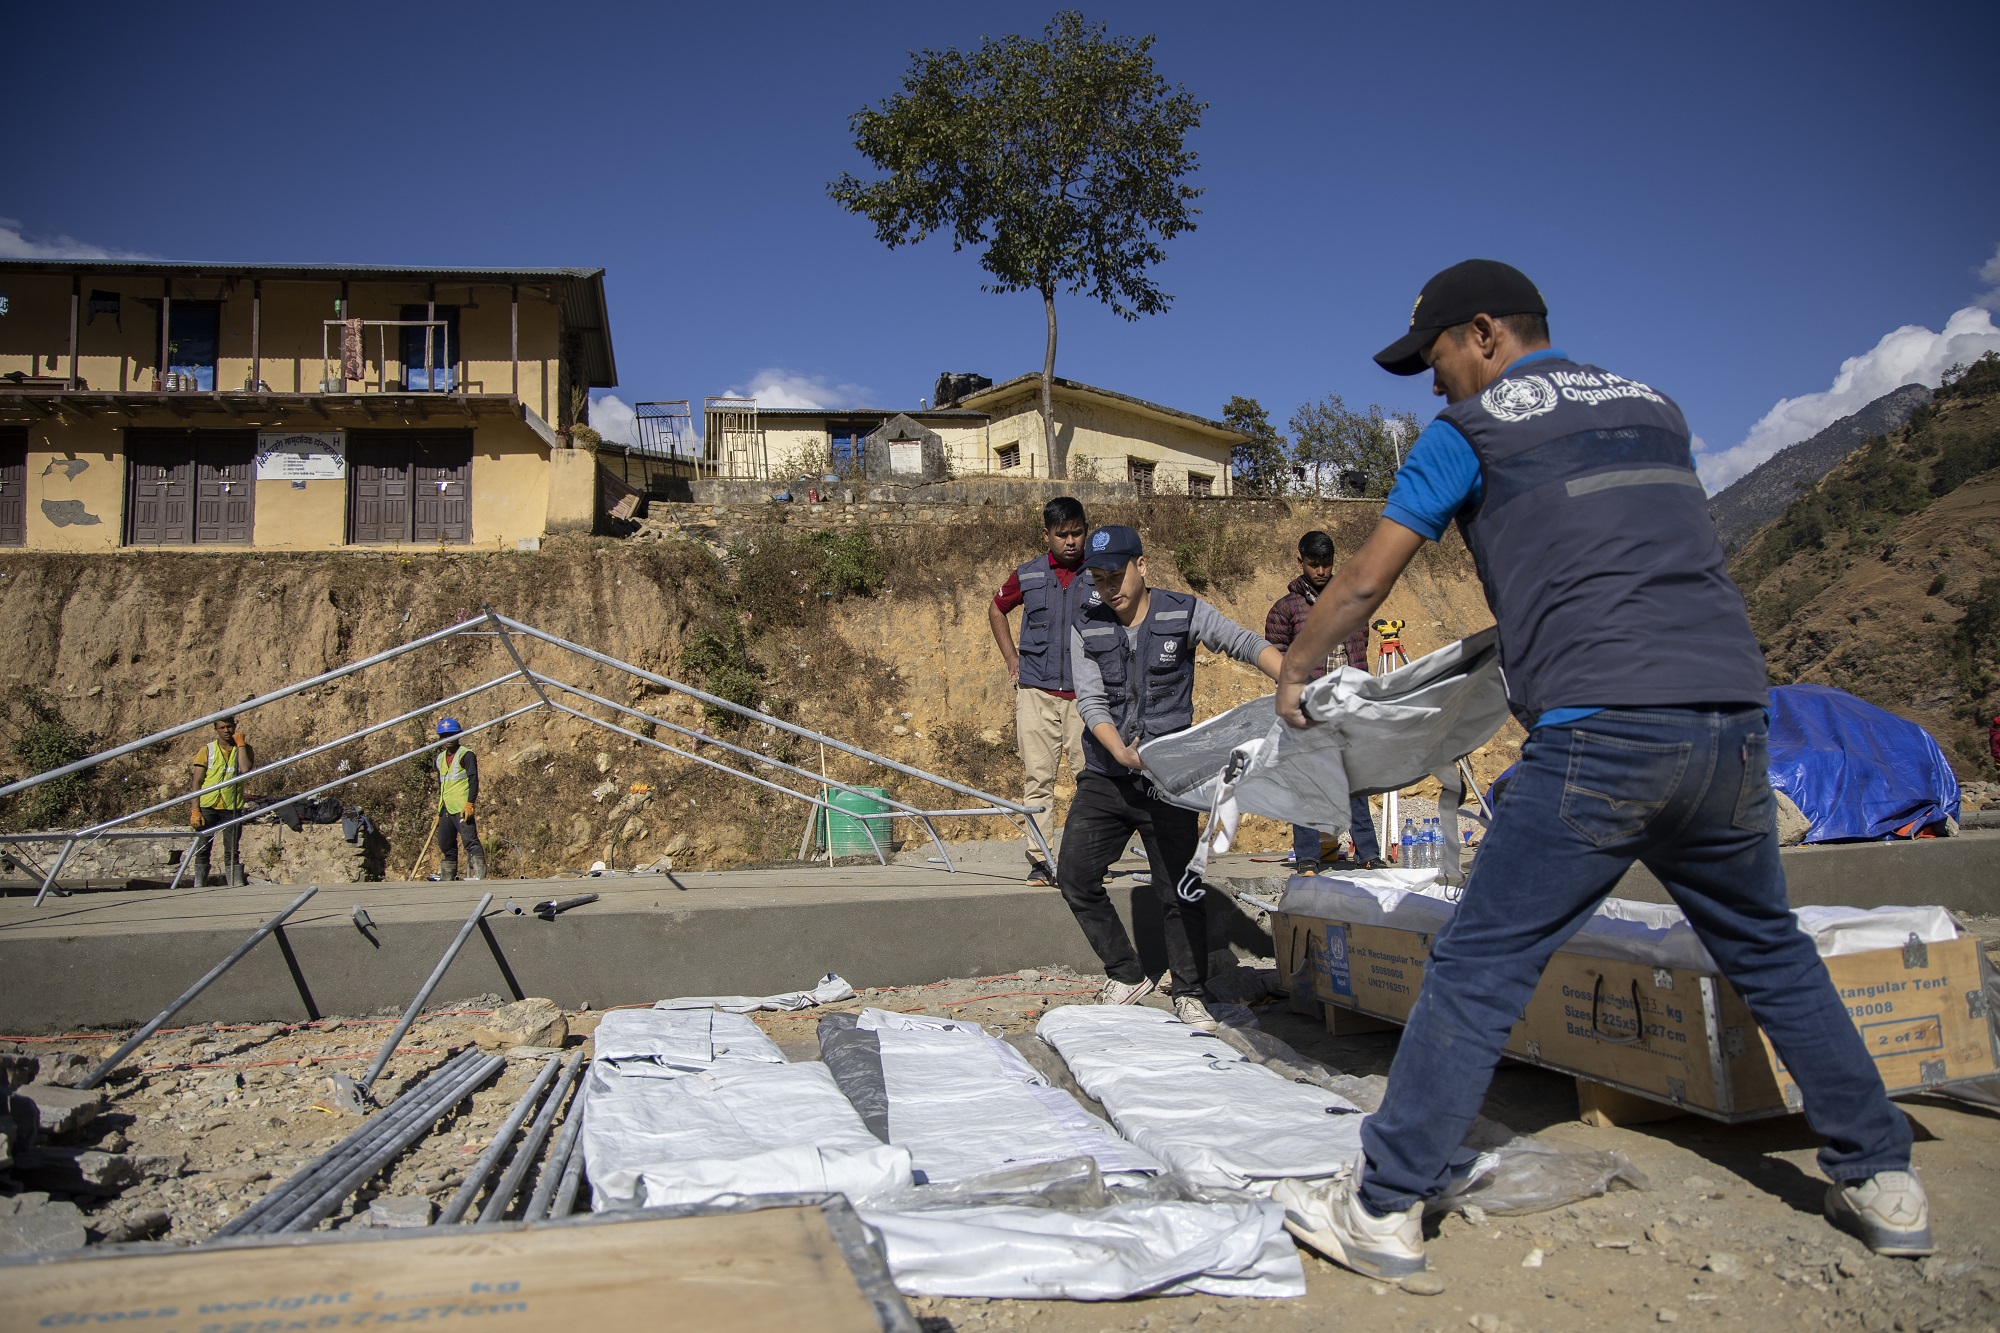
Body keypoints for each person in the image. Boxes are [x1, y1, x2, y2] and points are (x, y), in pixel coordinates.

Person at [1270, 259, 1931, 1276]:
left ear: (1482, 333)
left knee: (1479, 964)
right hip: (1727, 722)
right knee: (1766, 947)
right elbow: (1621, 558)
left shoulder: (1470, 430)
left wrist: (1298, 671)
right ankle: (1879, 1178)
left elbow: (1363, 579)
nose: (1430, 385)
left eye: (1434, 359)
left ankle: (1381, 1197)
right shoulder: (1654, 408)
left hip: (1598, 736)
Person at [1059, 524, 1283, 1030]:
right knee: (1074, 876)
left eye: (1117, 574)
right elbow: (1091, 699)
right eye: (1098, 579)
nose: (1108, 588)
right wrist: (1119, 752)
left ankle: (1190, 991)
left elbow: (1243, 642)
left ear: (1143, 566)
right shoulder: (1085, 621)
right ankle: (1125, 971)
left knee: (1179, 889)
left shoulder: (1184, 611)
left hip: (1169, 779)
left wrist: (1290, 679)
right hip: (1107, 775)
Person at [1264, 529, 1385, 873]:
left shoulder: (1351, 600)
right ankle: (1307, 857)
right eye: (1314, 564)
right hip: (1307, 707)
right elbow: (1276, 658)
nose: (1320, 571)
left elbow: (1359, 650)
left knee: (1355, 783)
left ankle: (1368, 855)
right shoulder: (1285, 609)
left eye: (1326, 564)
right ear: (1300, 561)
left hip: (1347, 705)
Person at [988, 496, 1092, 884]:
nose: (1070, 541)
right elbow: (997, 608)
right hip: (1036, 693)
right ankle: (1041, 862)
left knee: (1092, 781)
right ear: (1046, 535)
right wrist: (1011, 660)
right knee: (1039, 779)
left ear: (1086, 532)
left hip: (1088, 697)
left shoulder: (1102, 573)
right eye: (1061, 534)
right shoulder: (1028, 574)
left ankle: (1086, 863)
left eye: (1077, 533)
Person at [187, 715, 252, 887]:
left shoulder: (243, 748)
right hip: (208, 805)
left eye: (229, 727)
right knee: (203, 846)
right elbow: (197, 781)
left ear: (235, 727)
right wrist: (195, 808)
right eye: (222, 727)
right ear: (216, 729)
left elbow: (245, 769)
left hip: (231, 805)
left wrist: (241, 745)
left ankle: (234, 883)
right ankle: (199, 884)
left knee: (232, 848)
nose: (226, 731)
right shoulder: (207, 750)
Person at [432, 718, 486, 882]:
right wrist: (438, 810)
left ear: (458, 735)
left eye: (452, 735)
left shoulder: (466, 755)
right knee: (445, 843)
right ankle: (447, 878)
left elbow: (473, 780)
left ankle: (480, 876)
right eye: (444, 735)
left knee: (470, 841)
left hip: (462, 806)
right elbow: (441, 785)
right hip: (446, 807)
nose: (448, 739)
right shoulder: (440, 759)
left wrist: (470, 803)